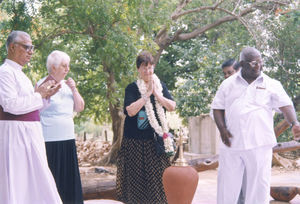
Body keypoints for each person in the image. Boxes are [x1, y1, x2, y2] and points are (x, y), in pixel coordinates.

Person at [212, 47, 300, 204]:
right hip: (232, 144)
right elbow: (217, 108)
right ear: (242, 64)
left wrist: (294, 123)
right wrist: (223, 129)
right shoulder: (228, 84)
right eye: (254, 62)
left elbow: (286, 105)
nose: (258, 65)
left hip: (260, 144)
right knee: (227, 188)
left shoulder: (272, 83)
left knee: (259, 188)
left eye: (260, 62)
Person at [0, 31, 62, 203]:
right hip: (15, 136)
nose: (31, 51)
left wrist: (46, 95)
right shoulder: (5, 72)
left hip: (30, 133)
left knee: (37, 180)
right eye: (26, 47)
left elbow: (31, 109)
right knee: (19, 182)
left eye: (32, 47)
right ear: (12, 47)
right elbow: (10, 105)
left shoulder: (22, 75)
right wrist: (38, 95)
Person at [116, 51, 176, 203]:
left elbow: (172, 106)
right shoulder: (132, 88)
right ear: (138, 69)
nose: (148, 71)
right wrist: (146, 95)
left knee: (158, 183)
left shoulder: (160, 86)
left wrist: (156, 94)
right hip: (134, 143)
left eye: (150, 67)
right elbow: (130, 111)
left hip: (155, 143)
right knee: (135, 183)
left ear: (153, 67)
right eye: (144, 67)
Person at [37, 50, 85, 204]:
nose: (67, 69)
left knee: (69, 177)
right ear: (53, 68)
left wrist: (74, 89)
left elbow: (80, 107)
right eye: (64, 66)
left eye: (68, 66)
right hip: (49, 139)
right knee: (53, 177)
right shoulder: (41, 84)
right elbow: (35, 110)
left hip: (67, 137)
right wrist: (46, 95)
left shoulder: (67, 85)